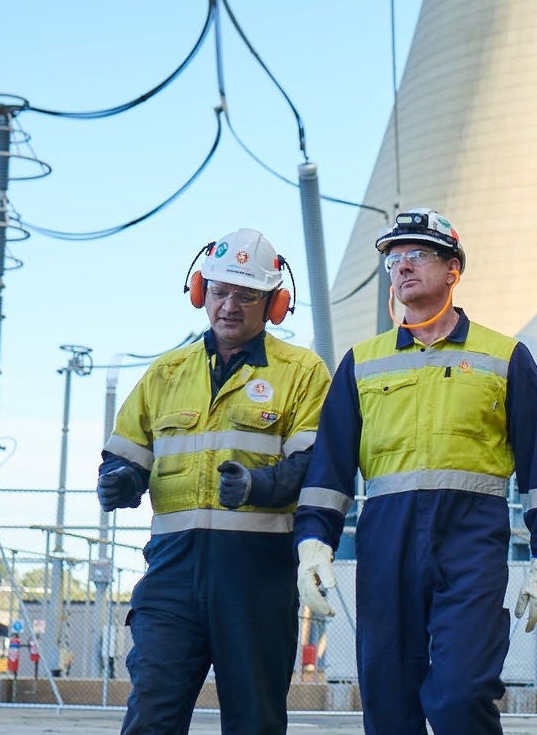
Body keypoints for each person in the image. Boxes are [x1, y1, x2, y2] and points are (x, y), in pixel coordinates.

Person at [293, 208, 537, 734]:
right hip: (386, 546)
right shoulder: (362, 362)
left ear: (453, 270)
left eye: (418, 254)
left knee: (460, 695)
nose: (402, 267)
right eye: (394, 259)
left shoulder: (504, 357)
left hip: (470, 543)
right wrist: (313, 541)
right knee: (388, 701)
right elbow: (330, 467)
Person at [97, 228, 330, 735]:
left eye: (246, 295)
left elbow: (314, 464)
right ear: (201, 292)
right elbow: (124, 456)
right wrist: (120, 481)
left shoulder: (303, 373)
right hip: (171, 576)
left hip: (256, 580)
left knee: (254, 722)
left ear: (274, 303)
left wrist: (257, 487)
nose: (230, 305)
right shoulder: (165, 372)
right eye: (220, 291)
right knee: (151, 712)